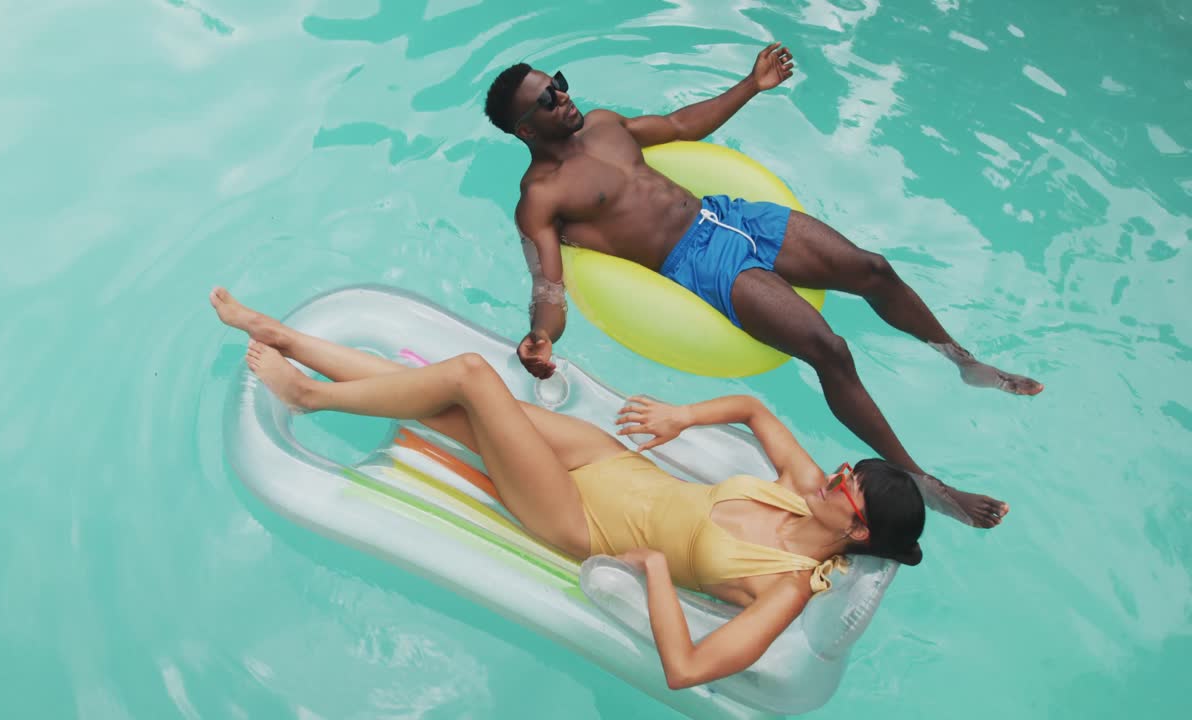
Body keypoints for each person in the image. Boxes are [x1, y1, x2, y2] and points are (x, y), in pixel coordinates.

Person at [210, 286, 926, 689]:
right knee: (454, 412)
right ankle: (292, 340)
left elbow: (687, 668)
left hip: (575, 517)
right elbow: (755, 409)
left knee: (466, 378)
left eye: (846, 488)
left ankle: (309, 398)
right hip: (607, 460)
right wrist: (681, 417)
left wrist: (650, 574)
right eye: (843, 468)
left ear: (857, 532)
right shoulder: (801, 488)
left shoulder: (786, 591)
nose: (832, 477)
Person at [481, 43, 1043, 530]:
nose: (563, 95)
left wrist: (751, 85)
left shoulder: (604, 123)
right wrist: (541, 335)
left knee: (873, 269)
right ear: (525, 129)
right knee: (829, 350)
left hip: (728, 214)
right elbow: (548, 283)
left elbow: (680, 126)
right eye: (547, 99)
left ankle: (963, 361)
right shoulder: (541, 198)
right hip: (698, 262)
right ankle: (924, 482)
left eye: (558, 83)